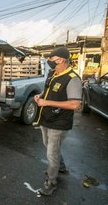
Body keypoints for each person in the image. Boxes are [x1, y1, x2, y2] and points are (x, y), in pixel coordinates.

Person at [34, 47, 82, 196]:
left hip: (59, 122)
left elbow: (75, 104)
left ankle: (51, 182)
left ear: (61, 60)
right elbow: (48, 90)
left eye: (52, 60)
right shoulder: (53, 73)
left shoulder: (72, 79)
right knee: (48, 146)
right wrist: (40, 96)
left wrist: (46, 103)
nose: (49, 62)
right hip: (46, 118)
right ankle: (60, 167)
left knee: (51, 153)